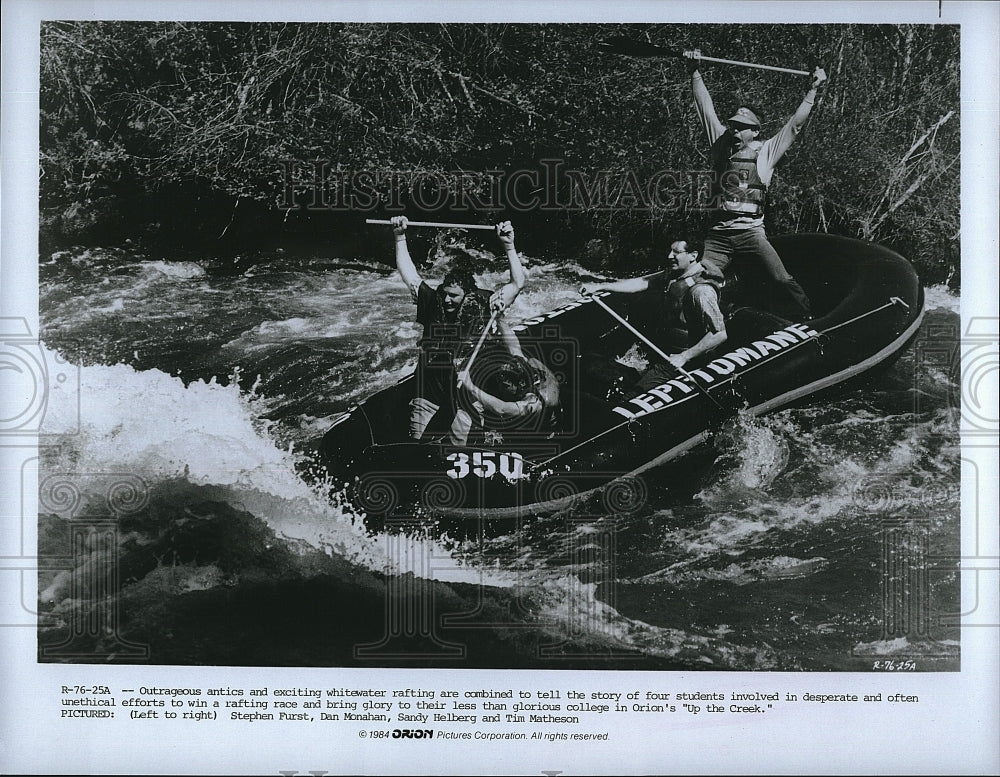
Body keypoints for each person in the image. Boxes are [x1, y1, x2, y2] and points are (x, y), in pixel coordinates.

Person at [684, 49, 827, 320]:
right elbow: (705, 109)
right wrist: (694, 72)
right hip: (718, 235)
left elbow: (794, 126)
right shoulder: (721, 144)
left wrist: (813, 91)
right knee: (699, 280)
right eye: (733, 126)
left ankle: (809, 319)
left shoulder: (767, 151)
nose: (735, 130)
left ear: (756, 131)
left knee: (781, 279)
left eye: (741, 127)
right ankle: (702, 326)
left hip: (751, 233)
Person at [391, 215, 526, 443]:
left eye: (454, 296)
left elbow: (517, 284)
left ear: (467, 296)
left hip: (467, 388)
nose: (446, 300)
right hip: (430, 388)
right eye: (445, 294)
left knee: (462, 444)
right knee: (419, 443)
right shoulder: (433, 299)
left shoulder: (486, 302)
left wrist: (509, 246)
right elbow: (410, 275)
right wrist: (399, 237)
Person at [580, 237, 726, 391]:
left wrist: (684, 357)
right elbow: (642, 282)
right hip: (665, 351)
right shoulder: (675, 275)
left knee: (631, 399)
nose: (670, 256)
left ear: (693, 255)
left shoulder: (701, 291)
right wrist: (601, 286)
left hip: (684, 360)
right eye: (670, 251)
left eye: (676, 252)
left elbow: (719, 334)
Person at [455, 314, 561, 440]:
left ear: (520, 384)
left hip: (536, 428)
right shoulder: (525, 366)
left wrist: (470, 386)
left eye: (505, 384)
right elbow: (513, 345)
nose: (502, 385)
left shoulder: (534, 403)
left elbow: (502, 409)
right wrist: (499, 318)